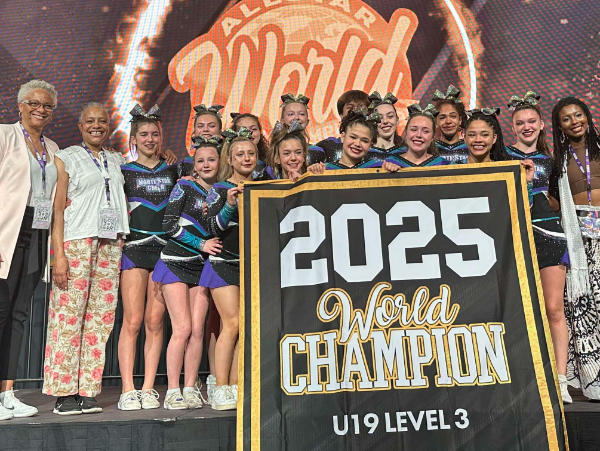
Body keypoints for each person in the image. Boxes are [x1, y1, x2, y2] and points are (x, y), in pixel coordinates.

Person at [44, 102, 130, 415]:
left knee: (100, 319)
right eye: (90, 121)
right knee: (68, 318)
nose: (96, 126)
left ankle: (87, 390)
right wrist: (58, 255)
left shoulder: (117, 159)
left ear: (109, 126)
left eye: (102, 121)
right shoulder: (66, 157)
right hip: (77, 242)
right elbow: (57, 210)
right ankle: (63, 394)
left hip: (111, 242)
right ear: (80, 126)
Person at [0, 79, 60, 420]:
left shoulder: (52, 147)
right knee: (0, 311)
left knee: (20, 314)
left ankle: (7, 393)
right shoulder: (4, 136)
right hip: (8, 232)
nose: (41, 110)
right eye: (34, 103)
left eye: (47, 106)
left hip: (38, 232)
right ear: (20, 106)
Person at [505, 92, 570, 402]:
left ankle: (560, 380)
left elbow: (561, 203)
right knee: (519, 311)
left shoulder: (554, 160)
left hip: (550, 236)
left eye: (532, 121)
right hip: (516, 237)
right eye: (520, 123)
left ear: (542, 124)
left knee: (553, 308)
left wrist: (540, 193)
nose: (526, 126)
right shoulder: (503, 158)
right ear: (512, 127)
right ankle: (526, 379)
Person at [152, 136, 223, 410]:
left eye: (211, 159)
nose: (206, 165)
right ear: (194, 164)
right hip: (175, 262)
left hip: (202, 266)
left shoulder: (223, 192)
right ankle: (173, 390)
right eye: (200, 160)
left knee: (197, 330)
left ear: (221, 162)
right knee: (181, 328)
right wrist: (201, 244)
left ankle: (191, 387)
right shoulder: (184, 186)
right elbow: (169, 225)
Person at [117, 105, 179, 411]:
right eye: (143, 134)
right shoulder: (124, 171)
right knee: (133, 320)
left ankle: (148, 387)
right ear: (133, 139)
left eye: (155, 134)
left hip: (164, 251)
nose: (150, 139)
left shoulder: (174, 170)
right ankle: (128, 389)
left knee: (155, 321)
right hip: (135, 248)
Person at [200, 129, 256, 410]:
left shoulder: (262, 187)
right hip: (223, 265)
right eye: (240, 154)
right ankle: (220, 387)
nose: (246, 158)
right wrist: (231, 205)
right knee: (231, 324)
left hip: (251, 266)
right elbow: (213, 228)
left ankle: (235, 385)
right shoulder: (220, 189)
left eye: (251, 153)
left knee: (244, 328)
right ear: (230, 160)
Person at [548, 96, 600, 401]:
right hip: (579, 240)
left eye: (577, 115)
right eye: (566, 118)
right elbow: (555, 203)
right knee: (585, 307)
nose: (574, 122)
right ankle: (594, 380)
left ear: (587, 116)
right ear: (560, 126)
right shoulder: (559, 161)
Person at [307, 109, 400, 172]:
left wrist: (392, 171)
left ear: (371, 145)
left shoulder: (378, 168)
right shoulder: (326, 170)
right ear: (343, 137)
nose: (357, 144)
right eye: (353, 137)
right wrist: (313, 172)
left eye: (364, 141)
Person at [312, 90, 370, 164]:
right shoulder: (326, 146)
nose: (356, 112)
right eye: (350, 108)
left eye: (361, 107)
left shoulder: (377, 148)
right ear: (341, 114)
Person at [179, 104, 224, 177]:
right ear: (194, 132)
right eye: (200, 126)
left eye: (211, 126)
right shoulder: (186, 163)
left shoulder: (229, 161)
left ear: (220, 132)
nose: (205, 129)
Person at [432, 85, 468, 163]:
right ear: (436, 121)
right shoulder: (429, 150)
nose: (448, 121)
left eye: (453, 116)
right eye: (442, 117)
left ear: (460, 120)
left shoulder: (471, 148)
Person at [367, 91, 405, 160]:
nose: (385, 121)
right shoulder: (364, 152)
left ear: (397, 120)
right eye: (379, 117)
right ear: (372, 122)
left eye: (390, 116)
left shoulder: (407, 152)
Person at [231, 112, 269, 181]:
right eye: (243, 129)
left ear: (260, 132)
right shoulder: (226, 163)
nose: (249, 133)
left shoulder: (269, 162)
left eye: (253, 129)